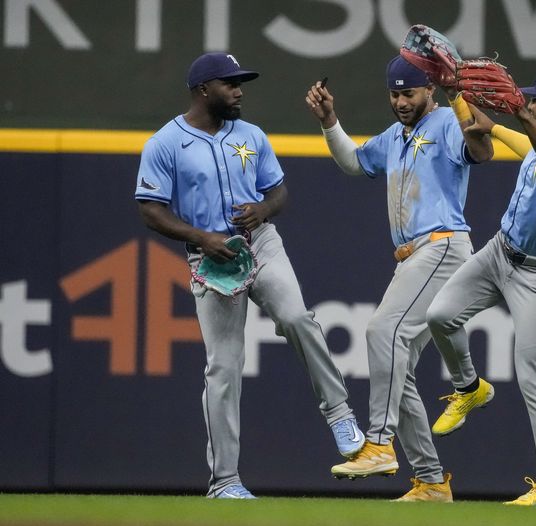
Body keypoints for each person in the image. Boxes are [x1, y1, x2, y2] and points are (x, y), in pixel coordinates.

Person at [135, 52, 364, 499]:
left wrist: (262, 209)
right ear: (204, 89)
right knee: (223, 367)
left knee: (297, 318)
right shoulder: (165, 143)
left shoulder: (251, 135)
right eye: (230, 84)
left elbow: (278, 191)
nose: (239, 91)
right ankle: (225, 482)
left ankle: (339, 413)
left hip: (260, 243)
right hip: (211, 258)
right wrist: (202, 238)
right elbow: (149, 209)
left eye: (241, 83)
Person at [304, 56, 493, 502]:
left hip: (442, 246)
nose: (401, 101)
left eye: (409, 93)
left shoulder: (447, 120)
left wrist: (460, 100)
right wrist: (331, 121)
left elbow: (480, 152)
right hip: (412, 256)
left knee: (382, 330)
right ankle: (430, 482)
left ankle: (379, 444)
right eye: (395, 94)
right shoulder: (395, 136)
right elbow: (354, 162)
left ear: (429, 90)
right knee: (398, 364)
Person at [426, 67, 536, 506]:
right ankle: (470, 388)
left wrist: (521, 117)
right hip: (500, 251)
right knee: (440, 315)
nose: (525, 100)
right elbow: (534, 150)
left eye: (534, 98)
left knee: (532, 376)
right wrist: (499, 127)